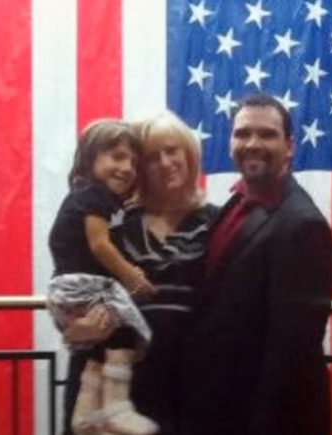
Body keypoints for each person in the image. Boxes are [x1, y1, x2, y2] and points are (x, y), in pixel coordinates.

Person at [179, 93, 332, 435]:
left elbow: (291, 353)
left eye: (267, 134)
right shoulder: (235, 204)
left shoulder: (302, 225)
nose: (252, 143)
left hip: (263, 418)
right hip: (218, 406)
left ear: (289, 146)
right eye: (242, 133)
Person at [63, 112, 217, 435]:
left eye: (172, 150)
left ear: (190, 155)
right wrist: (73, 326)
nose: (164, 163)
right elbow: (73, 276)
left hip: (187, 378)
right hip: (114, 375)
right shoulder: (113, 219)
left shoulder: (217, 222)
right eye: (151, 157)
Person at [48, 119, 159, 435]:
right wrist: (132, 276)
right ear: (89, 157)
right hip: (90, 301)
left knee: (111, 344)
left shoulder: (103, 204)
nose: (127, 168)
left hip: (162, 380)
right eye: (117, 157)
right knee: (126, 333)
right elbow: (99, 246)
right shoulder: (98, 199)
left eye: (134, 162)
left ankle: (88, 413)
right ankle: (115, 409)